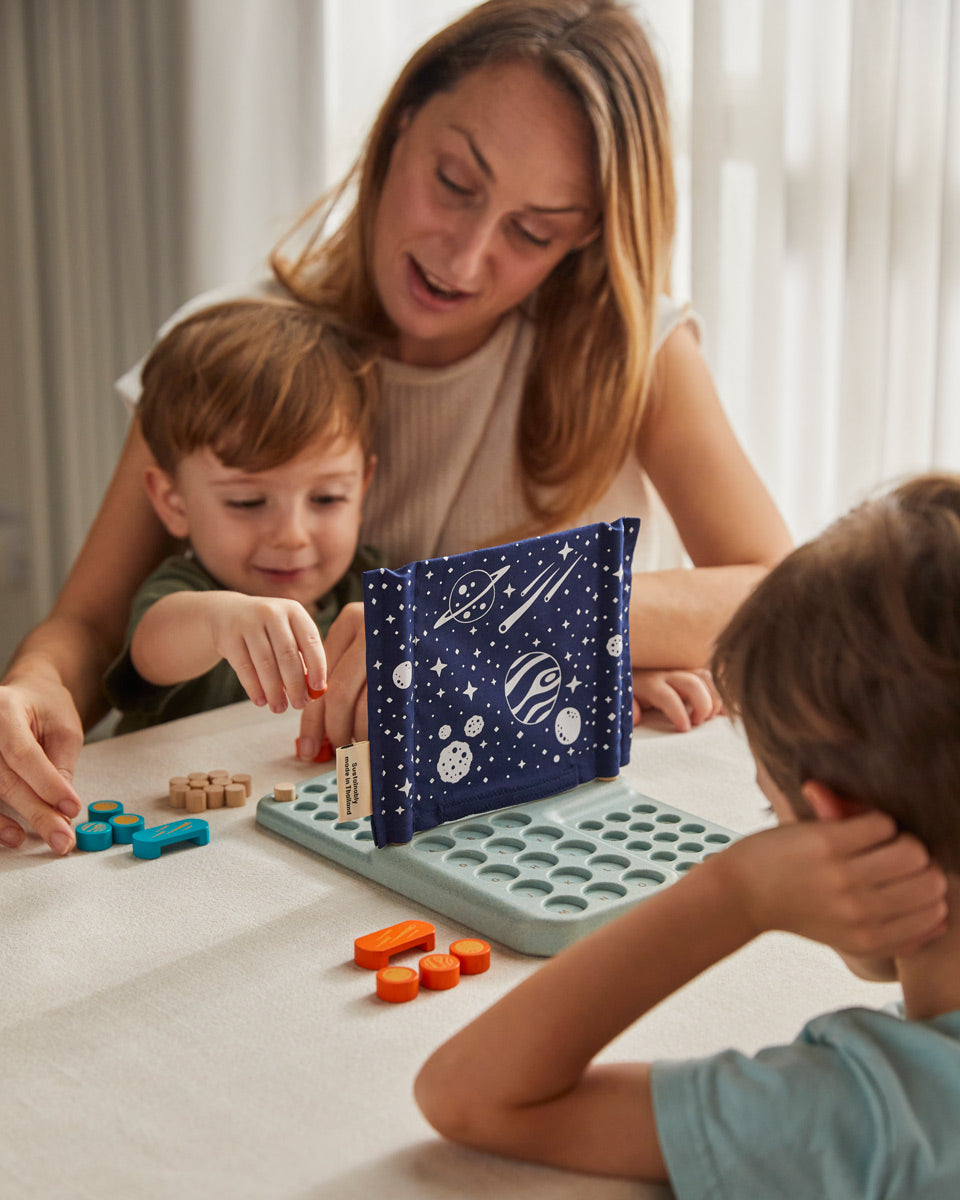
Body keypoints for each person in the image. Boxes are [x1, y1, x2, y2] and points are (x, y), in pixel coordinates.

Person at [0, 0, 792, 853]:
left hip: (504, 844)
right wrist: (31, 687)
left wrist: (495, 630)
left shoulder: (633, 354)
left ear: (587, 237)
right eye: (455, 183)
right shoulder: (230, 354)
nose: (463, 257)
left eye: (532, 231)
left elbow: (783, 597)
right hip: (281, 849)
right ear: (398, 125)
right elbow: (89, 625)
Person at [414, 472, 960, 1196]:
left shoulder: (867, 1115)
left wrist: (733, 894)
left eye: (773, 815)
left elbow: (470, 1094)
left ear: (834, 829)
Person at [102, 297, 379, 733]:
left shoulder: (371, 584)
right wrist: (220, 622)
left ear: (362, 488)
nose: (292, 536)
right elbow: (152, 650)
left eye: (327, 498)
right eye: (247, 502)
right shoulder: (183, 593)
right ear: (174, 503)